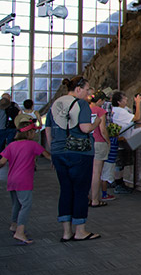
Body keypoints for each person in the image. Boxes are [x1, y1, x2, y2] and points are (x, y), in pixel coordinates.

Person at [45, 76, 102, 242]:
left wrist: (54, 152)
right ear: (78, 89)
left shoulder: (55, 104)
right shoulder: (81, 104)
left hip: (58, 152)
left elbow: (48, 130)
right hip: (79, 153)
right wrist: (96, 122)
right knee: (80, 191)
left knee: (65, 190)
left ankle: (66, 232)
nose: (88, 94)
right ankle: (80, 230)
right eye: (86, 90)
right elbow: (84, 128)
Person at [0, 114, 51, 245]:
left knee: (16, 204)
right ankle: (20, 231)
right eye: (33, 131)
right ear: (29, 133)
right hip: (24, 181)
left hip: (11, 179)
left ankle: (13, 224)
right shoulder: (32, 145)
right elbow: (47, 155)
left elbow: (2, 162)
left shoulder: (11, 145)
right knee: (26, 205)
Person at [110, 91, 141, 194]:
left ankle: (118, 183)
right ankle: (119, 184)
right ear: (119, 101)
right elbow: (136, 118)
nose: (126, 100)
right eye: (124, 99)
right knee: (120, 163)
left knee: (119, 163)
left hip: (119, 138)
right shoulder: (120, 112)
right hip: (123, 139)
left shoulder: (117, 110)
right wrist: (138, 103)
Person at [89, 90, 114, 207]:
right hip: (98, 142)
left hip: (87, 142)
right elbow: (103, 129)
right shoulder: (100, 111)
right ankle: (95, 199)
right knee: (96, 172)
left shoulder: (85, 109)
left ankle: (88, 197)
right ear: (99, 100)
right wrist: (108, 141)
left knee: (89, 172)